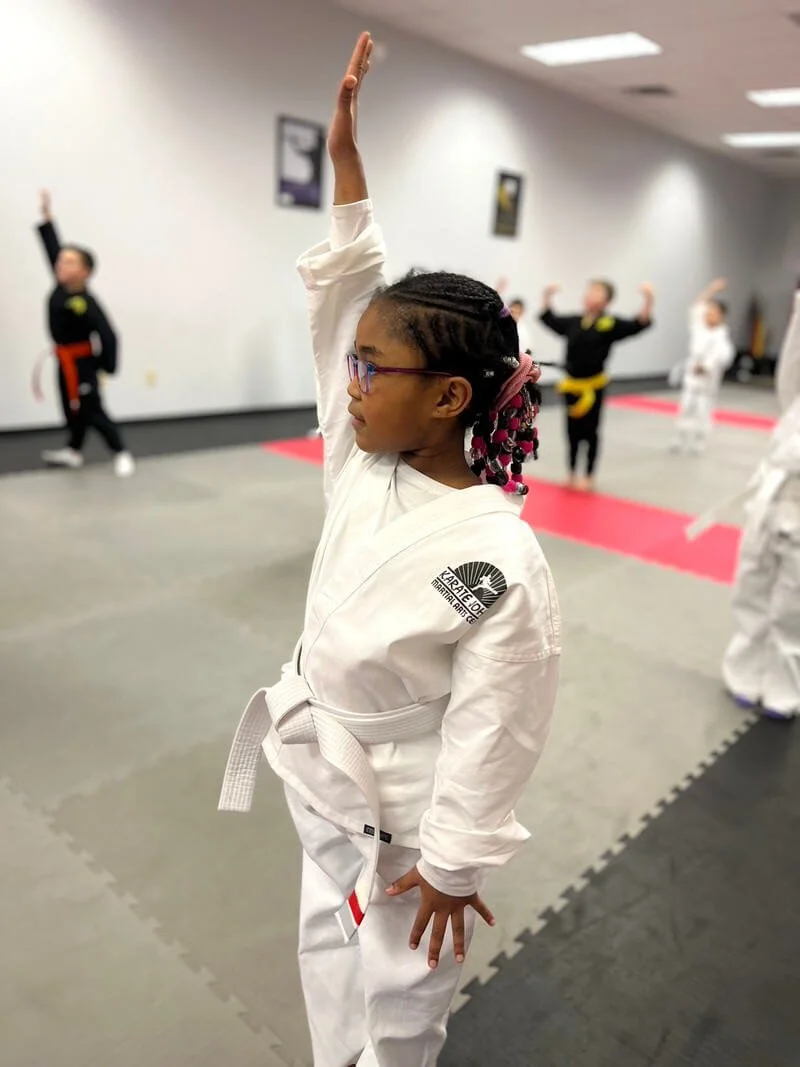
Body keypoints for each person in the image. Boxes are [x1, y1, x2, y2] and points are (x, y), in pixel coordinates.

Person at [218, 33, 561, 1067]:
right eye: (354, 363)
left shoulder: (502, 559)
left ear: (448, 396)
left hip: (407, 823)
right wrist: (346, 168)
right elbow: (343, 298)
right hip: (321, 771)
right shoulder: (363, 456)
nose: (351, 379)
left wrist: (456, 862)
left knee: (402, 997)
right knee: (326, 949)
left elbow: (498, 725)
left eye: (375, 366)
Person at [722, 288, 800, 720]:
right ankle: (744, 671)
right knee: (751, 586)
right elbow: (791, 371)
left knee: (793, 606)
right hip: (771, 499)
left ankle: (785, 688)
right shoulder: (795, 406)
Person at [35, 191, 134, 477]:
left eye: (69, 262)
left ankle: (121, 452)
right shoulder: (59, 288)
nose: (60, 265)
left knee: (92, 410)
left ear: (85, 272)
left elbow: (110, 335)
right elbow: (52, 249)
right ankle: (74, 451)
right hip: (63, 360)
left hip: (84, 363)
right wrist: (48, 218)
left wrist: (106, 366)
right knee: (70, 409)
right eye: (60, 261)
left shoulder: (87, 302)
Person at [539, 278, 654, 490]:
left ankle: (589, 474)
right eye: (589, 290)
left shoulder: (609, 324)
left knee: (590, 432)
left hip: (594, 387)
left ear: (607, 300)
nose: (590, 294)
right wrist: (547, 295)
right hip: (572, 386)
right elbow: (549, 318)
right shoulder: (574, 321)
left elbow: (639, 324)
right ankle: (572, 472)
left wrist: (648, 298)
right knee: (571, 431)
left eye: (597, 292)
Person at [670, 279, 735, 455]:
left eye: (713, 312)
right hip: (692, 376)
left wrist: (706, 367)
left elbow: (723, 357)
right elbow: (697, 306)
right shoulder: (699, 327)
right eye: (708, 311)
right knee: (685, 407)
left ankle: (700, 441)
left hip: (707, 381)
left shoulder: (722, 336)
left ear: (721, 315)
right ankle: (680, 438)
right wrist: (711, 289)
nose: (708, 314)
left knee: (703, 411)